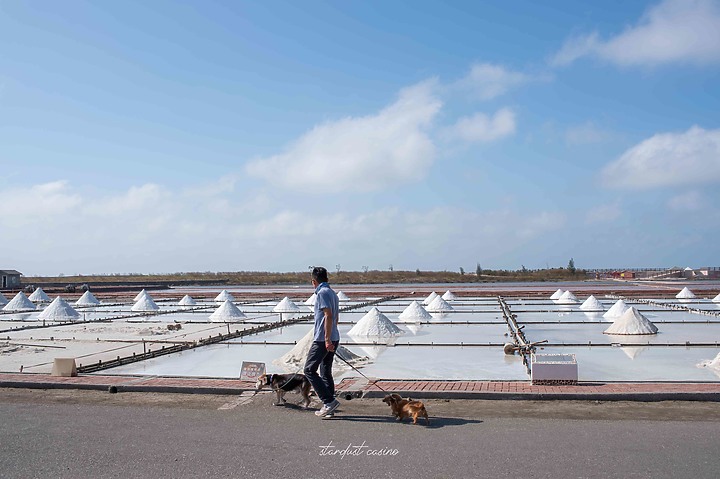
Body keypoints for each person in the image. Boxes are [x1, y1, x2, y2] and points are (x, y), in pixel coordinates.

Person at [304, 266, 341, 418]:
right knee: (325, 372)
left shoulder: (322, 293)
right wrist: (332, 336)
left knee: (309, 370)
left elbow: (328, 315)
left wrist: (326, 339)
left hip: (322, 339)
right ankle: (330, 406)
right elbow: (335, 317)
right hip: (333, 336)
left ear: (314, 281)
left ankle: (328, 401)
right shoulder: (333, 293)